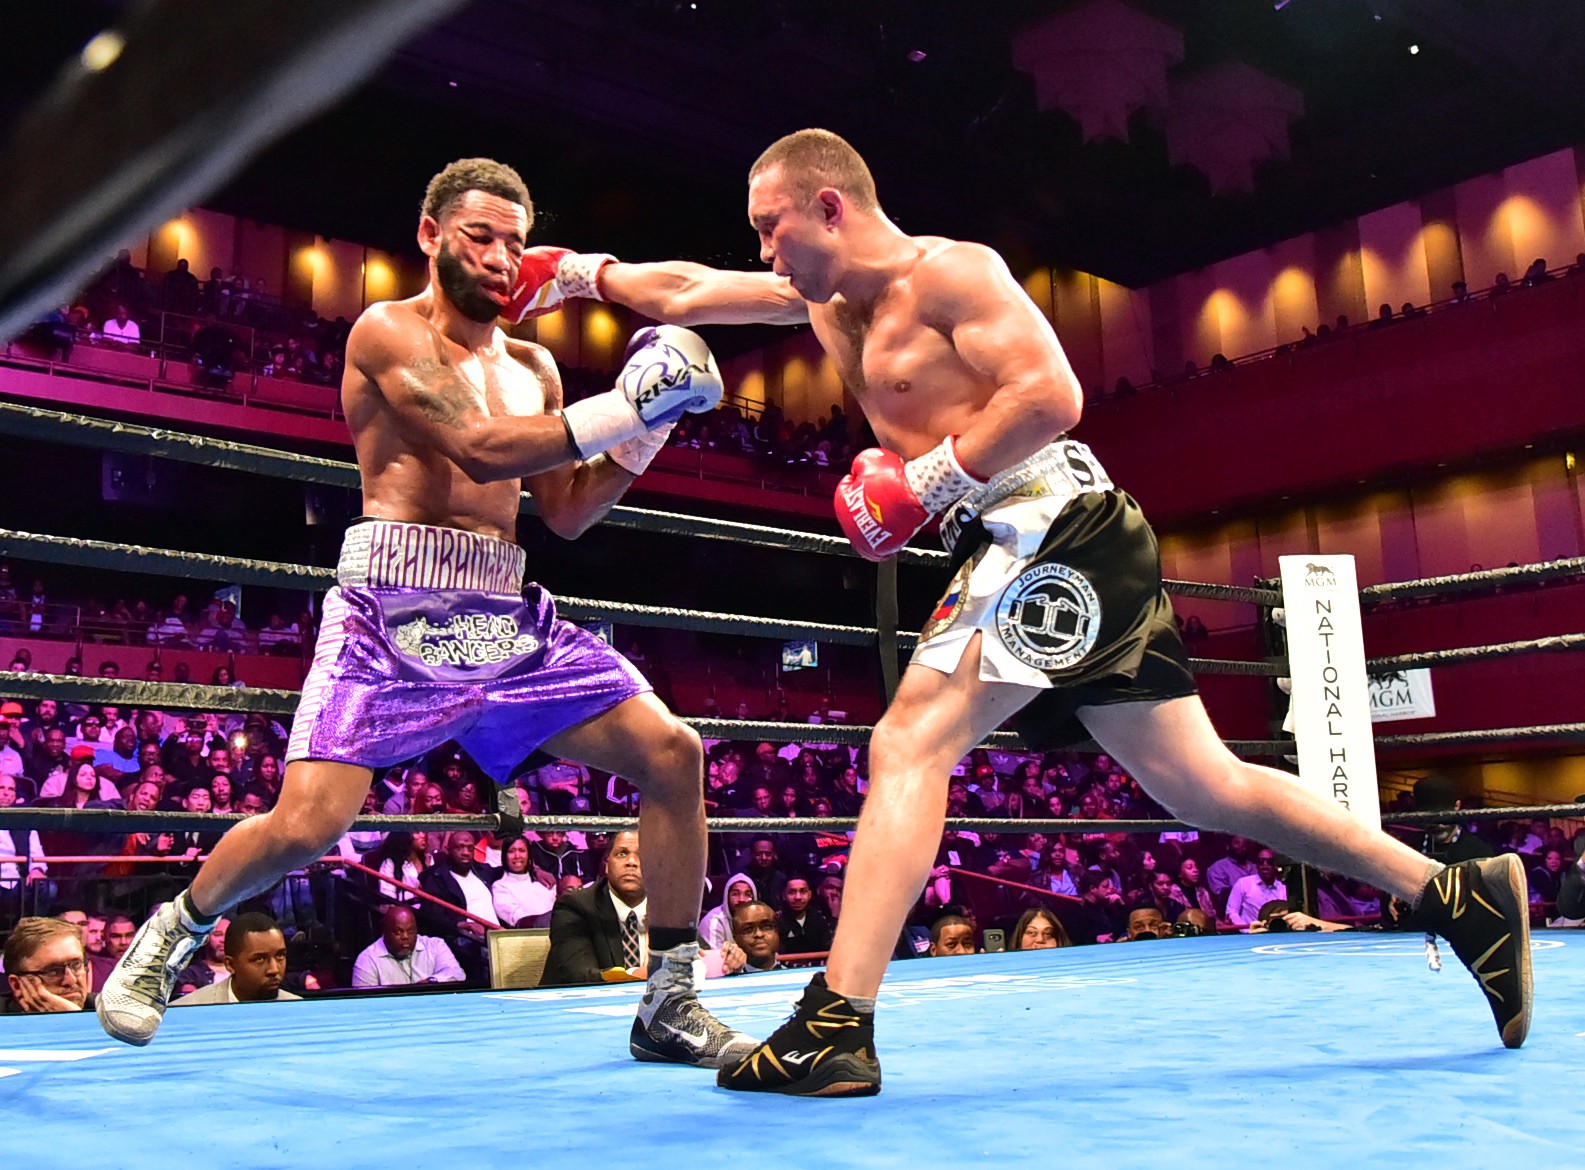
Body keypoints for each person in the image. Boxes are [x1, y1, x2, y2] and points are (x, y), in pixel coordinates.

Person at [527, 128, 1532, 1092]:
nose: (763, 251)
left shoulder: (952, 274)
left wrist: (921, 480)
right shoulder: (827, 301)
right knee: (1204, 786)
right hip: (1017, 532)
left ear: (828, 206)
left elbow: (1051, 395)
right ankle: (1457, 893)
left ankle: (836, 1024)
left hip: (1048, 516)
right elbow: (691, 290)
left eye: (770, 226)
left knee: (909, 743)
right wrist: (576, 271)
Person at [97, 159, 753, 1070]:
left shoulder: (533, 363)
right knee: (308, 824)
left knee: (673, 753)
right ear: (431, 235)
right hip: (393, 604)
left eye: (515, 244)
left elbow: (564, 508)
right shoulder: (384, 331)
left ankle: (668, 1001)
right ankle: (168, 936)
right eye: (479, 236)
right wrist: (626, 402)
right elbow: (481, 453)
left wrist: (651, 426)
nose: (498, 258)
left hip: (506, 611)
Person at [540, 830, 648, 987]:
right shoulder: (575, 907)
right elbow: (579, 975)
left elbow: (694, 962)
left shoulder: (669, 910)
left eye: (642, 855)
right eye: (622, 854)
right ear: (606, 864)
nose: (631, 862)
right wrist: (638, 975)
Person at [171, 912, 300, 1006]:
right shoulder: (188, 1010)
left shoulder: (301, 1011)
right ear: (231, 965)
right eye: (259, 959)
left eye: (280, 956)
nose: (274, 969)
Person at [351, 905, 466, 987]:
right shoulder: (367, 960)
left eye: (411, 931)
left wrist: (430, 982)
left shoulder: (435, 946)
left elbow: (458, 974)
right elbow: (364, 1006)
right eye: (398, 932)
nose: (405, 936)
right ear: (384, 932)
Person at [3, 916, 94, 1013]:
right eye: (53, 971)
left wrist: (73, 1019)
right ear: (17, 985)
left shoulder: (106, 1010)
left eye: (76, 965)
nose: (71, 980)